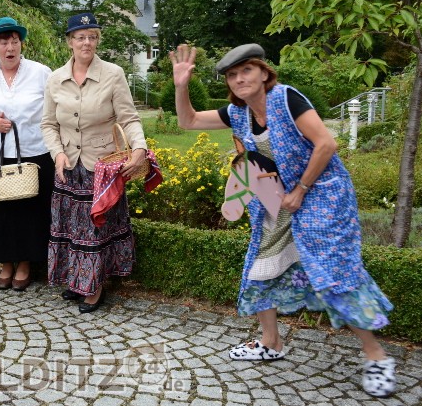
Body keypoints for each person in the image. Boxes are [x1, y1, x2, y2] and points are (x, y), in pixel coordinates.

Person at [170, 43, 396, 398]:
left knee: (334, 273)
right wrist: (181, 86)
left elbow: (326, 144)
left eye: (246, 70)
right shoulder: (238, 112)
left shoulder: (287, 99)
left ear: (263, 72)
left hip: (322, 196)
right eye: (232, 74)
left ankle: (377, 356)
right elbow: (188, 121)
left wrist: (303, 188)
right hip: (277, 200)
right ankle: (270, 343)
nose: (240, 78)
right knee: (262, 266)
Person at [40, 13, 148, 313]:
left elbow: (129, 118)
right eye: (80, 36)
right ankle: (76, 280)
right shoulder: (55, 79)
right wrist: (57, 153)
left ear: (97, 40)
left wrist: (139, 146)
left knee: (94, 230)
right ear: (69, 42)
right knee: (70, 229)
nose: (86, 42)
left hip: (100, 167)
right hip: (68, 167)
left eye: (92, 36)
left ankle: (95, 285)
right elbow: (48, 124)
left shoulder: (113, 74)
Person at [0, 17, 54, 291]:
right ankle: (6, 263)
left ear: (21, 44)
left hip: (36, 152)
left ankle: (26, 264)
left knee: (31, 211)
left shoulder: (41, 73)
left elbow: (54, 111)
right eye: (3, 42)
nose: (9, 47)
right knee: (2, 211)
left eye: (14, 41)